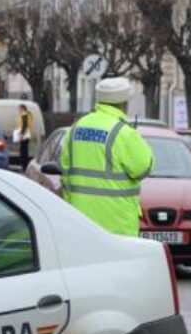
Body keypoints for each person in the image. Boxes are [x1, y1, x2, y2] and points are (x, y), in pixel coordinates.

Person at [59, 77, 154, 236]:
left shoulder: (76, 128)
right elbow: (143, 168)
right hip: (117, 225)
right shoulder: (123, 132)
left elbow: (65, 169)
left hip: (80, 222)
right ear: (125, 102)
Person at [15, 103, 32, 171]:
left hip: (24, 135)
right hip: (26, 134)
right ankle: (24, 166)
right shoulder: (27, 114)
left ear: (23, 108)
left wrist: (22, 134)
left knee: (23, 152)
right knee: (24, 151)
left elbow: (25, 124)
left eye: (19, 109)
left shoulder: (24, 114)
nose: (18, 110)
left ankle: (24, 167)